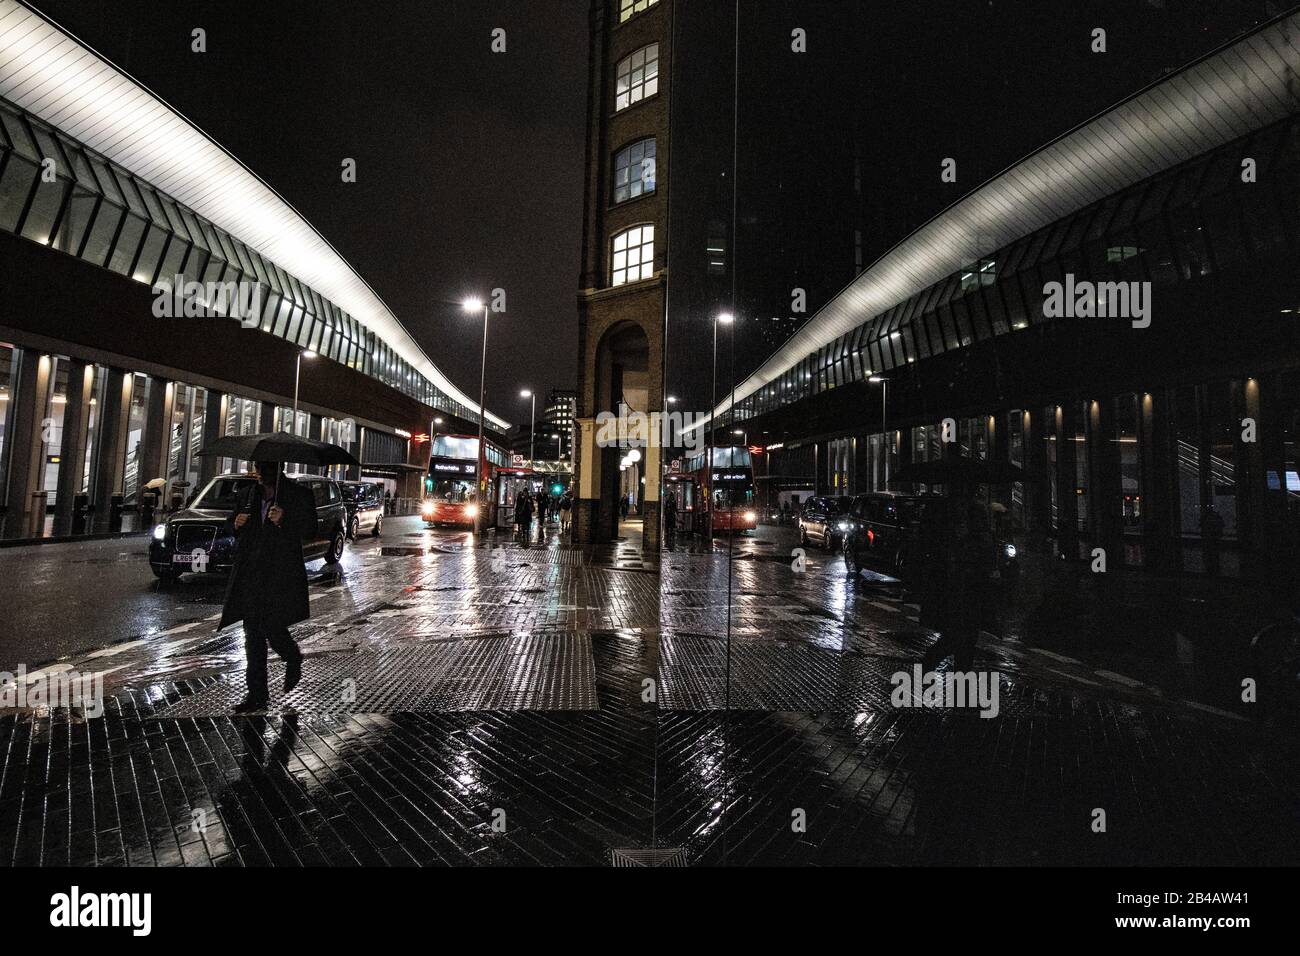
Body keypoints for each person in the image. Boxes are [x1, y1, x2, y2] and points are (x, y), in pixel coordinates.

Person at [220, 461, 315, 713]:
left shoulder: (297, 494)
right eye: (258, 468)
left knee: (271, 626)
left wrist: (285, 520)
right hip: (250, 575)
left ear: (279, 468)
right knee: (252, 637)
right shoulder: (247, 495)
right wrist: (235, 524)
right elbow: (231, 523)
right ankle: (257, 696)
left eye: (266, 469)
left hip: (279, 575)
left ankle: (292, 656)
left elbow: (311, 528)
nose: (261, 474)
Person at [923, 502, 998, 674]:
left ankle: (961, 687)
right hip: (963, 600)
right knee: (956, 642)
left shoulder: (976, 540)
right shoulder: (965, 542)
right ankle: (930, 670)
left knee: (965, 645)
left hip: (972, 600)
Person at [1200, 504, 1225, 576]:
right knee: (1214, 553)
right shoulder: (1216, 518)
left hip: (1210, 538)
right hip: (1214, 538)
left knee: (1210, 552)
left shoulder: (1207, 519)